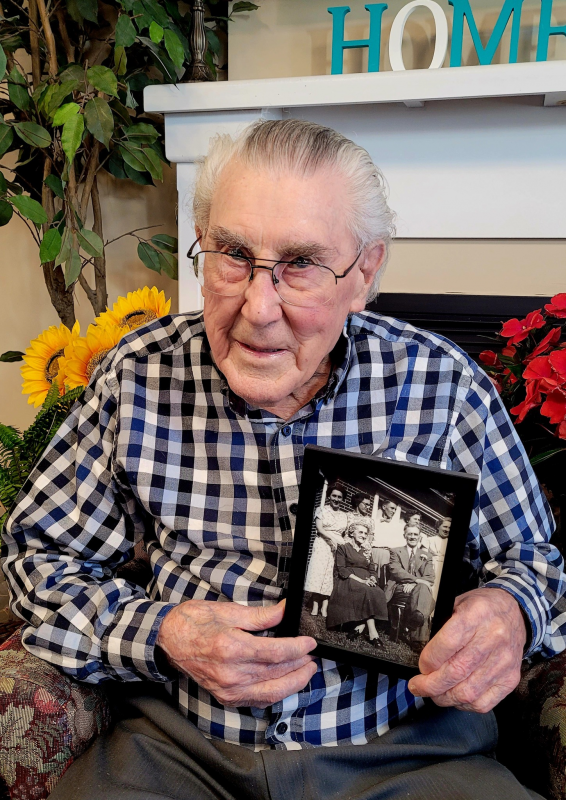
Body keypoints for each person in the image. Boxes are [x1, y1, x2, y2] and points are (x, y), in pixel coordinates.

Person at [2, 118, 563, 800]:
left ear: (363, 274)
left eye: (300, 263)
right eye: (232, 253)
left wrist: (510, 612)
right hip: (182, 749)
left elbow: (533, 557)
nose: (257, 309)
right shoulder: (137, 378)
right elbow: (39, 556)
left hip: (408, 753)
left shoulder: (442, 385)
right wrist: (163, 632)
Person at [326, 521, 388, 645]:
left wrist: (372, 579)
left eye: (366, 533)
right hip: (349, 579)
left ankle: (359, 627)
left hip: (366, 580)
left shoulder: (367, 550)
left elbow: (372, 569)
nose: (364, 535)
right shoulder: (343, 547)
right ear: (352, 532)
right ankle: (373, 633)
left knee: (378, 592)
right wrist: (361, 581)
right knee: (365, 590)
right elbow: (341, 568)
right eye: (360, 532)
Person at [385, 525, 436, 654]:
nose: (412, 537)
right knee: (425, 597)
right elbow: (396, 571)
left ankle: (416, 620)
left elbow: (429, 577)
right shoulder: (395, 551)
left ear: (419, 537)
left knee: (423, 592)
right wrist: (416, 580)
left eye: (415, 534)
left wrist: (414, 585)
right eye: (410, 534)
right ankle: (418, 640)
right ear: (405, 536)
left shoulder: (427, 555)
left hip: (418, 588)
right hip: (400, 586)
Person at [304, 484, 348, 617]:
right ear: (329, 496)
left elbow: (345, 534)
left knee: (330, 575)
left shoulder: (344, 515)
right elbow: (320, 529)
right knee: (319, 573)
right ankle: (315, 605)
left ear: (342, 499)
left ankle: (325, 606)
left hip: (337, 548)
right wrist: (332, 539)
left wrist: (342, 543)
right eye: (334, 496)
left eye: (339, 497)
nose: (336, 499)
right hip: (323, 543)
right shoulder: (321, 510)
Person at [423, 517, 451, 597]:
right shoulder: (429, 540)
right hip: (430, 570)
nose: (447, 530)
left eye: (449, 528)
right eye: (445, 526)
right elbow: (423, 557)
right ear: (438, 526)